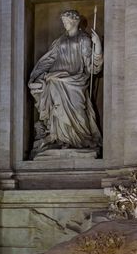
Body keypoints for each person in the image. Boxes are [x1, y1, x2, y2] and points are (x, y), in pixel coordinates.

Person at [29, 9, 104, 155]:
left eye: (66, 21)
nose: (64, 24)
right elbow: (48, 60)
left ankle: (81, 140)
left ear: (75, 22)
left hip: (76, 81)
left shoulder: (84, 40)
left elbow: (92, 67)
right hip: (56, 79)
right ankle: (60, 139)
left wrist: (98, 48)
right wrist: (37, 76)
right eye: (63, 22)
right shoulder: (59, 41)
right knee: (56, 108)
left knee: (78, 111)